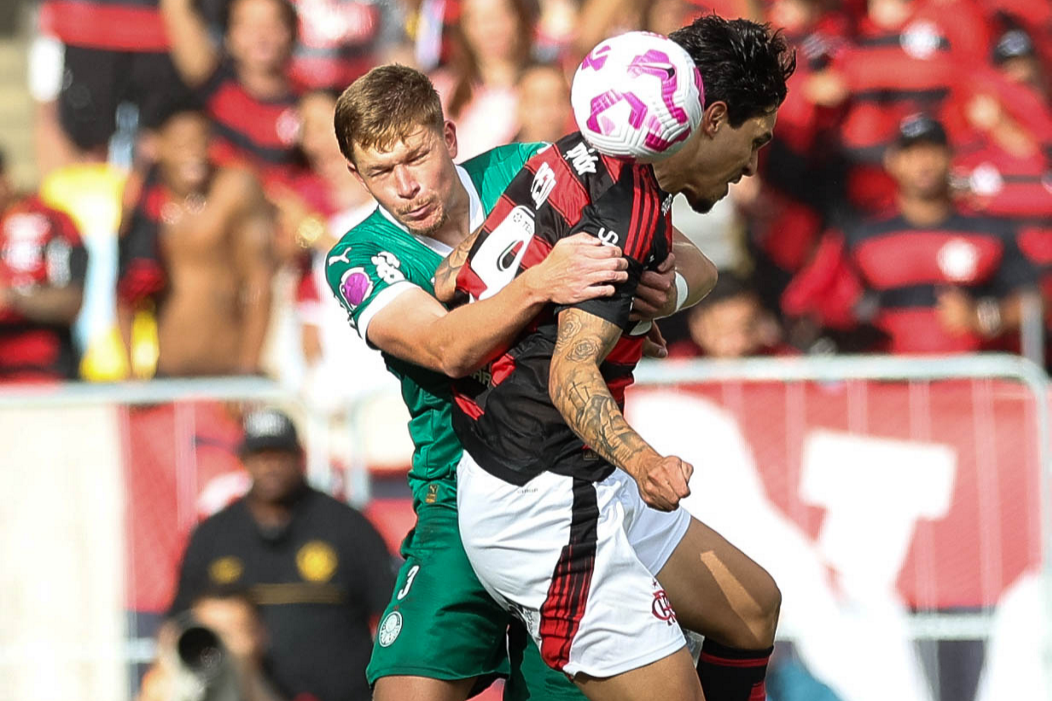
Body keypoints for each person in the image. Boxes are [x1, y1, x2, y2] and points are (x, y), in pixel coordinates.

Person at [325, 64, 716, 701]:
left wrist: (659, 293)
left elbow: (697, 265)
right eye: (380, 171)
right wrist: (542, 282)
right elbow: (447, 349)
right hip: (453, 500)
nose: (406, 186)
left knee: (740, 614)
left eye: (417, 157)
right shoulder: (359, 256)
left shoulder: (532, 168)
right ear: (355, 174)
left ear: (450, 137)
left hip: (567, 490)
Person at [441, 15, 793, 701]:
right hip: (545, 498)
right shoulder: (626, 211)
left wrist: (633, 310)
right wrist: (647, 462)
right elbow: (570, 375)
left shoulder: (587, 147)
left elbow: (456, 271)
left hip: (564, 473)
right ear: (712, 119)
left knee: (752, 608)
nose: (753, 166)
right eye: (755, 142)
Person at [170, 407, 394, 701]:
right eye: (260, 456)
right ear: (243, 460)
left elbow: (393, 614)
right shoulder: (213, 536)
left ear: (300, 457)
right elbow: (177, 625)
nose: (270, 466)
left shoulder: (348, 527)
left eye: (279, 455)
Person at [783, 114, 1038, 353]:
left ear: (950, 156)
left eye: (932, 152)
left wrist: (986, 317)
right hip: (887, 379)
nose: (923, 163)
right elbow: (810, 302)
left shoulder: (990, 231)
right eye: (912, 154)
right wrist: (847, 317)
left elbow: (1033, 300)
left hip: (975, 379)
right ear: (893, 162)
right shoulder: (862, 235)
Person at [116, 107, 275, 377]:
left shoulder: (234, 190)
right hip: (169, 370)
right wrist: (131, 370)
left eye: (200, 141)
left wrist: (248, 367)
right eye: (180, 144)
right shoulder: (141, 202)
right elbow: (123, 291)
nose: (193, 152)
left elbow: (259, 281)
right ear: (157, 146)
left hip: (229, 368)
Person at [160, 0, 303, 183]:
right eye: (247, 26)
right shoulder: (214, 84)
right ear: (229, 35)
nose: (261, 37)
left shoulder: (306, 103)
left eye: (273, 25)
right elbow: (178, 9)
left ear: (292, 32)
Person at [0, 151, 88, 381]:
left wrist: (11, 298)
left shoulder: (50, 221)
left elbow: (71, 300)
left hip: (43, 374)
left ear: (5, 180)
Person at [139, 588, 286, 701]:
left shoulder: (289, 685)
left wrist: (249, 681)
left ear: (260, 635)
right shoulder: (171, 681)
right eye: (208, 633)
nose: (219, 644)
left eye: (230, 632)